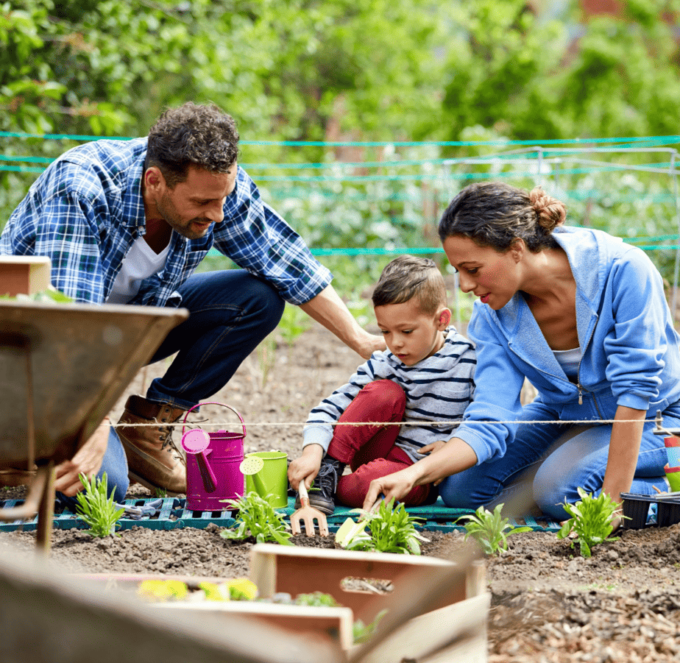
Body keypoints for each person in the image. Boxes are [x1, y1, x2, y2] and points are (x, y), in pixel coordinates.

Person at [0, 102, 384, 504]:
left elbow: (285, 260)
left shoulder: (214, 188)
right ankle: (19, 451)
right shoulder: (81, 187)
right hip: (30, 354)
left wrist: (361, 339)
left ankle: (145, 433)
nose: (217, 214)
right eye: (202, 203)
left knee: (256, 299)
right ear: (155, 182)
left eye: (223, 198)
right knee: (102, 483)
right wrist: (91, 427)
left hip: (121, 332)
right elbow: (65, 324)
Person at [362, 182, 680, 521]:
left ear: (516, 249)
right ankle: (565, 471)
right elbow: (492, 412)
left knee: (562, 491)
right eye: (458, 272)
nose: (465, 286)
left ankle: (660, 488)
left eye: (473, 269)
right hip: (564, 415)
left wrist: (612, 504)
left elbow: (635, 391)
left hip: (658, 418)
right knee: (460, 490)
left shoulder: (623, 270)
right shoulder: (492, 312)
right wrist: (415, 473)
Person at [287, 255, 476, 514]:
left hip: (418, 473)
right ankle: (324, 473)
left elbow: (484, 421)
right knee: (384, 392)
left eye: (406, 331)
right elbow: (329, 409)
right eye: (385, 331)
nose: (394, 343)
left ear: (441, 320)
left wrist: (452, 446)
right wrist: (312, 452)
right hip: (376, 448)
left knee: (368, 485)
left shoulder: (469, 361)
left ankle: (313, 484)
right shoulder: (386, 361)